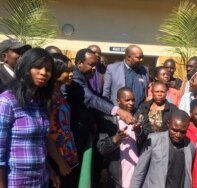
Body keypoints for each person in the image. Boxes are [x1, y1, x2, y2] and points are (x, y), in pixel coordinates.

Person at [61, 49, 134, 164]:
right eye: (91, 64)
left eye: (96, 65)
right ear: (79, 63)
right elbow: (89, 98)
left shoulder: (84, 76)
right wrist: (118, 110)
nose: (94, 68)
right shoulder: (74, 76)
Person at [0, 48, 58, 187]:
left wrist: (51, 171)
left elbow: (40, 143)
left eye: (48, 69)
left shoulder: (40, 102)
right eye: (37, 67)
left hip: (40, 180)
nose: (43, 73)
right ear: (25, 68)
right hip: (16, 181)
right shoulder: (7, 101)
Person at [130, 110, 195, 188]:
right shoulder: (153, 140)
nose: (178, 135)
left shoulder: (190, 146)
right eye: (174, 130)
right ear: (168, 124)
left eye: (182, 132)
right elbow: (139, 172)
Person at [47, 53, 79, 188]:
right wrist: (60, 163)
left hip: (67, 154)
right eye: (68, 71)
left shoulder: (59, 93)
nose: (71, 74)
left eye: (72, 71)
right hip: (57, 159)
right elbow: (47, 135)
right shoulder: (49, 98)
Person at [97, 87, 139, 188]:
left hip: (136, 170)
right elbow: (101, 148)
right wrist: (116, 138)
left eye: (133, 100)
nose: (131, 103)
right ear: (118, 101)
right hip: (117, 172)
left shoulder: (138, 116)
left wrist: (139, 132)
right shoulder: (109, 121)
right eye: (127, 100)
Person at [136, 82, 179, 146]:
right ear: (152, 92)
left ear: (166, 93)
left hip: (164, 144)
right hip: (145, 144)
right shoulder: (144, 107)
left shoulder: (173, 109)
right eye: (157, 92)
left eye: (162, 92)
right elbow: (136, 120)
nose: (159, 94)